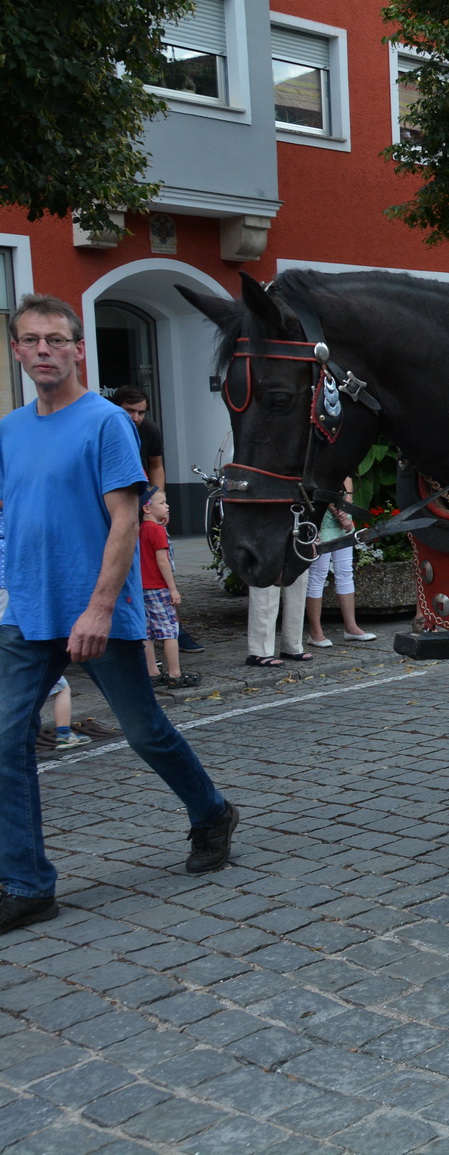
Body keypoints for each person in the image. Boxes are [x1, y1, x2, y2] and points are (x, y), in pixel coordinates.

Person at [1, 294, 238, 935]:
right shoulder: (9, 430)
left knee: (144, 731)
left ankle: (211, 811)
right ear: (17, 351)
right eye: (31, 340)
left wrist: (101, 608)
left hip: (94, 610)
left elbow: (126, 520)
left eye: (56, 339)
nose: (43, 350)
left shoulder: (107, 423)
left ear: (79, 349)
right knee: (3, 740)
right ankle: (27, 884)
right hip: (24, 612)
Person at [113, 388, 203, 654]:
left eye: (141, 412)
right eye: (130, 411)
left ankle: (174, 629)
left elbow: (156, 464)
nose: (137, 417)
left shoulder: (148, 429)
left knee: (162, 566)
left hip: (142, 506)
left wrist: (157, 502)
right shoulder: (106, 427)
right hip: (116, 508)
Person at [304, 480, 377, 647]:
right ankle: (315, 633)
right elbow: (319, 484)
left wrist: (347, 504)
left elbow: (347, 476)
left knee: (344, 572)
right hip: (322, 518)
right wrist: (342, 512)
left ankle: (351, 627)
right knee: (318, 576)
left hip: (341, 511)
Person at [139, 488, 198, 689]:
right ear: (147, 507)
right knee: (169, 631)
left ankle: (152, 672)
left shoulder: (139, 529)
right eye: (162, 503)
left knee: (147, 633)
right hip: (159, 588)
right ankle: (175, 673)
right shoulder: (156, 531)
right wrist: (173, 589)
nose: (167, 506)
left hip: (141, 588)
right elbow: (163, 562)